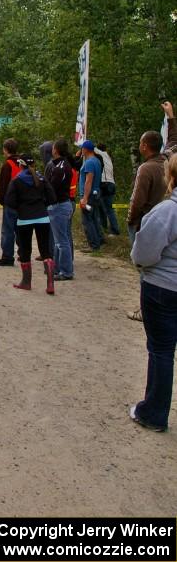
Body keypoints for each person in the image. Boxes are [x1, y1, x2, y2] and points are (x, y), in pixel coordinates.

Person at [129, 152, 177, 432]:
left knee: (160, 350)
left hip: (162, 288)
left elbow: (144, 252)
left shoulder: (166, 212)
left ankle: (154, 412)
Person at [126, 101, 177, 321]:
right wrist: (171, 116)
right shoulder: (166, 159)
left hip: (147, 221)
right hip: (166, 222)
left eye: (140, 143)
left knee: (146, 269)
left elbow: (137, 199)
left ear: (145, 146)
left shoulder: (145, 168)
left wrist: (131, 219)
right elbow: (174, 141)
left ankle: (145, 308)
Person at [5, 154, 56, 294]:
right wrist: (42, 204)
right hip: (43, 218)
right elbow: (52, 197)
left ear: (20, 165)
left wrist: (20, 208)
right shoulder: (41, 178)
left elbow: (9, 201)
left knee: (25, 250)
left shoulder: (16, 180)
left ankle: (26, 282)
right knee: (45, 250)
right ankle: (50, 284)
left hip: (24, 219)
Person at [45, 139, 75, 281]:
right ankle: (57, 268)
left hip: (60, 206)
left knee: (62, 241)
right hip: (57, 205)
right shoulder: (57, 165)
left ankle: (66, 271)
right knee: (58, 240)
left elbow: (52, 188)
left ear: (55, 150)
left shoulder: (62, 167)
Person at [0, 138, 21, 266]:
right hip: (23, 202)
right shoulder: (23, 163)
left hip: (10, 203)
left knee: (8, 231)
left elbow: (3, 185)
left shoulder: (7, 165)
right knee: (20, 230)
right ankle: (23, 254)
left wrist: (1, 199)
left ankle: (8, 257)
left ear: (5, 149)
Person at [78, 140, 104, 251]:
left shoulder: (89, 162)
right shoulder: (97, 161)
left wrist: (85, 198)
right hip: (96, 193)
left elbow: (88, 181)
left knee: (87, 220)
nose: (81, 150)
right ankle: (99, 240)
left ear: (86, 149)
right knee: (94, 218)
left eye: (82, 148)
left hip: (89, 195)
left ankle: (93, 245)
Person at [94, 142, 120, 236]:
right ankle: (104, 228)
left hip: (105, 183)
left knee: (107, 209)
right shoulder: (108, 157)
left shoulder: (101, 154)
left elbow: (91, 147)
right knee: (103, 207)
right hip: (110, 183)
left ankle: (114, 230)